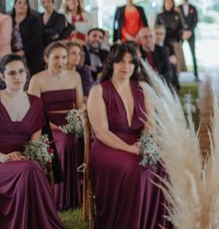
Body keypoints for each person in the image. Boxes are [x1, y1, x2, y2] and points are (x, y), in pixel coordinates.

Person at [87, 43, 168, 228]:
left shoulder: (143, 88)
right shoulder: (98, 91)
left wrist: (143, 143)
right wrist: (130, 149)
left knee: (162, 165)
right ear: (111, 63)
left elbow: (150, 124)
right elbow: (101, 131)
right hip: (108, 146)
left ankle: (151, 223)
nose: (126, 67)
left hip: (138, 142)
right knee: (135, 169)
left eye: (131, 62)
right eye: (121, 62)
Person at [0, 53, 64, 229]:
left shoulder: (36, 103)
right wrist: (4, 158)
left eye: (21, 71)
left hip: (24, 160)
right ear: (1, 76)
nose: (18, 77)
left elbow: (35, 143)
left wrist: (25, 156)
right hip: (1, 161)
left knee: (31, 167)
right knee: (31, 169)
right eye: (12, 73)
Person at [28, 41, 84, 210]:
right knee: (66, 142)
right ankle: (60, 198)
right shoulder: (37, 79)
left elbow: (79, 106)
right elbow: (34, 113)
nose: (61, 61)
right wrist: (56, 127)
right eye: (56, 58)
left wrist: (76, 123)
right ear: (46, 58)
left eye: (64, 57)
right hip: (46, 126)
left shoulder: (75, 77)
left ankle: (83, 191)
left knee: (84, 139)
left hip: (71, 125)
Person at [12, 0, 44, 75]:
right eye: (19, 2)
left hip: (30, 56)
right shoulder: (9, 19)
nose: (22, 5)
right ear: (14, 5)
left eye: (25, 3)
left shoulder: (33, 20)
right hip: (12, 55)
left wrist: (23, 52)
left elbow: (37, 39)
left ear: (28, 6)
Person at [155, 0, 186, 74]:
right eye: (167, 2)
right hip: (162, 42)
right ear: (164, 3)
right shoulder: (160, 15)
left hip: (174, 41)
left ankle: (176, 79)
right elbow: (156, 28)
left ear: (173, 3)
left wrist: (178, 39)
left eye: (170, 2)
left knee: (175, 62)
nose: (168, 3)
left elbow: (181, 27)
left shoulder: (177, 14)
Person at [180, 0, 199, 81]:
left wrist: (190, 31)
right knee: (178, 53)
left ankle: (196, 75)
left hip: (191, 34)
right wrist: (183, 32)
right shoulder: (178, 7)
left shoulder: (193, 8)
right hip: (181, 35)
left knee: (193, 54)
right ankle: (176, 75)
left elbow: (195, 21)